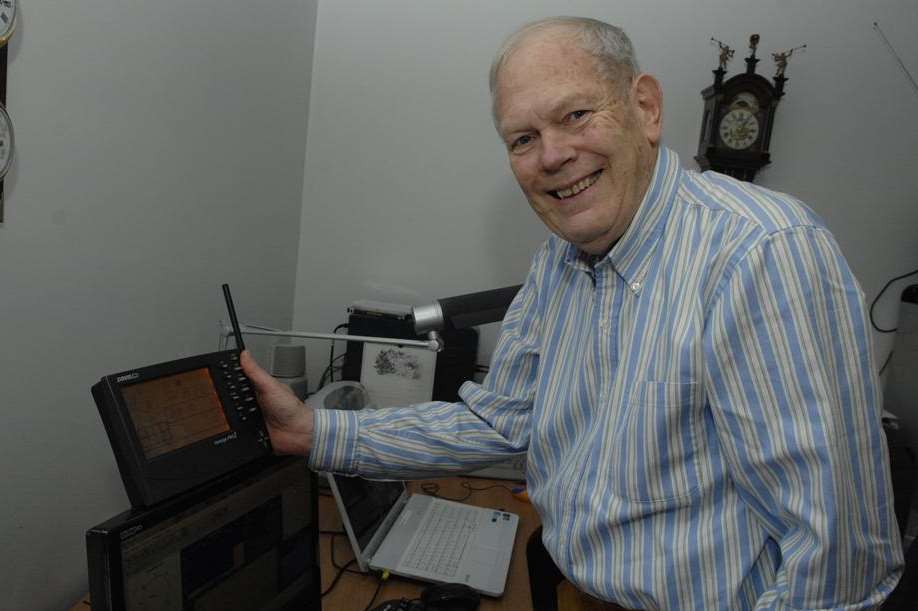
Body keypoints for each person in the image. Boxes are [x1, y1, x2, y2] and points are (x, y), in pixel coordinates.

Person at [241, 16, 904, 610]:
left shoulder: (761, 252)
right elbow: (498, 421)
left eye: (576, 116)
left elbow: (839, 568)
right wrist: (314, 432)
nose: (552, 156)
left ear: (644, 108)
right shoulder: (557, 262)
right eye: (523, 138)